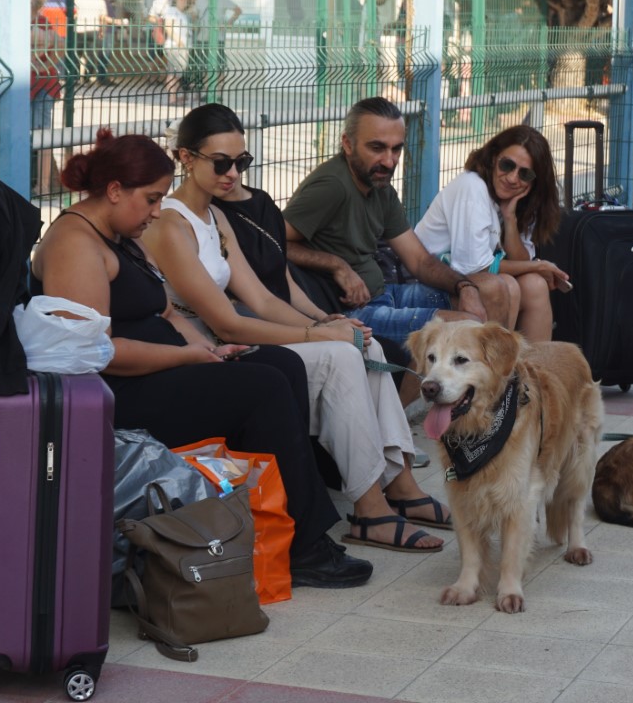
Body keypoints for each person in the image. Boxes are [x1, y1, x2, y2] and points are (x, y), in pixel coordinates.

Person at [31, 127, 372, 588]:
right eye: (151, 200)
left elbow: (166, 310)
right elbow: (99, 353)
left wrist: (210, 350)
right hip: (120, 395)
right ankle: (304, 547)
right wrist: (186, 358)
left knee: (281, 365)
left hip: (162, 370)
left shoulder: (119, 233)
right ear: (114, 191)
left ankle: (277, 526)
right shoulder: (76, 244)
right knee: (262, 389)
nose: (157, 212)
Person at [139, 103, 451, 552]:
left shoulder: (216, 216)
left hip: (236, 336)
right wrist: (317, 335)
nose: (232, 174)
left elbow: (264, 298)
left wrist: (326, 321)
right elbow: (225, 321)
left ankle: (399, 485)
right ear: (186, 158)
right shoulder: (171, 223)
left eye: (241, 162)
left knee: (367, 348)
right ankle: (369, 511)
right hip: (211, 349)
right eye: (221, 163)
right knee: (342, 356)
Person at [283, 97, 512, 349]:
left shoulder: (380, 186)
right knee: (462, 325)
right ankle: (427, 388)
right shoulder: (332, 187)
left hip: (385, 294)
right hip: (353, 315)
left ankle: (495, 384)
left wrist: (465, 286)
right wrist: (337, 265)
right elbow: (272, 243)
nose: (389, 161)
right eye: (377, 148)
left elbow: (420, 261)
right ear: (347, 144)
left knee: (492, 288)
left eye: (396, 149)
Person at [414, 125, 568, 342]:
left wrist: (510, 219)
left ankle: (534, 373)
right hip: (427, 287)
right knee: (508, 286)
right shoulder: (472, 187)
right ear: (494, 158)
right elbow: (477, 267)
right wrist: (538, 266)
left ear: (535, 181)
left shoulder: (517, 201)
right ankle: (497, 371)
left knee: (534, 285)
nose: (513, 178)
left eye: (525, 174)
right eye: (507, 165)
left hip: (466, 283)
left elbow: (520, 260)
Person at [30, 0, 63, 194]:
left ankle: (42, 185)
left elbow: (57, 47)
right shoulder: (40, 23)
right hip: (37, 84)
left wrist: (36, 66)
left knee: (41, 136)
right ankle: (40, 183)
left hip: (40, 86)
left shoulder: (40, 24)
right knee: (39, 135)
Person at [189, 0, 242, 92]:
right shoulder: (199, 0)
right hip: (202, 38)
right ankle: (207, 91)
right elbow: (195, 15)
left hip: (218, 38)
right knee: (203, 66)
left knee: (219, 66)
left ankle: (218, 92)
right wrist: (194, 16)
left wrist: (228, 24)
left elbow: (238, 10)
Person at [73, 0, 113, 86]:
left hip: (79, 29)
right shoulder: (99, 0)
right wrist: (102, 31)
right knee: (91, 54)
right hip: (93, 29)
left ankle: (75, 78)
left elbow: (73, 14)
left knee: (76, 53)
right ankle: (87, 77)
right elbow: (103, 17)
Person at [159, 0, 193, 106]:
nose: (183, 1)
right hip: (175, 46)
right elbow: (168, 26)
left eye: (185, 0)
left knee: (178, 73)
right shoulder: (172, 11)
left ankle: (174, 96)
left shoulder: (183, 14)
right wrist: (178, 40)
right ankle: (172, 98)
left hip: (183, 47)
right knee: (173, 72)